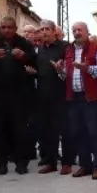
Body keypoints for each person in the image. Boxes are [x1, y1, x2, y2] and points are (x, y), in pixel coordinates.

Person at [0, 17, 37, 175]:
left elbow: (35, 62)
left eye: (10, 27)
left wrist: (23, 57)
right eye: (3, 27)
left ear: (15, 28)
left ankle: (21, 163)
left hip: (19, 94)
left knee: (20, 130)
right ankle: (1, 164)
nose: (6, 30)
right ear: (0, 29)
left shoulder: (24, 43)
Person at [58, 21, 97, 179]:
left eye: (80, 29)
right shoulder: (69, 50)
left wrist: (87, 68)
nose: (77, 32)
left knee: (95, 133)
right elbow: (66, 75)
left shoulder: (96, 49)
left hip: (92, 98)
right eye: (74, 30)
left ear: (87, 32)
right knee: (79, 133)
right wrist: (60, 71)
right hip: (74, 98)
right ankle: (85, 165)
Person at [34, 21, 69, 174]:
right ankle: (51, 162)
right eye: (41, 30)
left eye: (47, 29)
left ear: (55, 31)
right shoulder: (40, 50)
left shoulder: (65, 47)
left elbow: (69, 70)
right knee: (48, 131)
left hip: (61, 96)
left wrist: (61, 69)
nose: (44, 32)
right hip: (43, 96)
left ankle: (67, 162)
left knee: (65, 130)